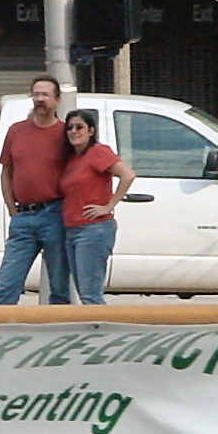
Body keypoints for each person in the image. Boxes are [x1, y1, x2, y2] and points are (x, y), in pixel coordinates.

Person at [0, 74, 71, 305]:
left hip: (55, 215)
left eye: (45, 94)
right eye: (36, 94)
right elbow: (6, 172)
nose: (39, 99)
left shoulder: (66, 134)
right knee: (6, 284)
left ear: (57, 100)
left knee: (59, 286)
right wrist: (11, 210)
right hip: (22, 217)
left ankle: (61, 335)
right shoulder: (16, 131)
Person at [59, 109, 136, 304]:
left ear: (91, 131)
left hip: (93, 230)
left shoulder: (98, 152)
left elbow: (128, 175)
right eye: (70, 128)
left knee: (91, 295)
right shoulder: (72, 159)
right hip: (72, 230)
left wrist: (108, 205)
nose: (74, 131)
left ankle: (104, 332)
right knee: (84, 294)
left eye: (80, 127)